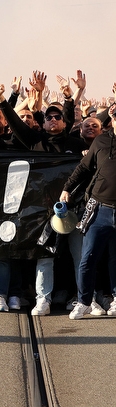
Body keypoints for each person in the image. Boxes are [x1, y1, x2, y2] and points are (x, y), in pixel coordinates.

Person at [60, 102, 116, 320]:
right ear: (111, 117)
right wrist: (67, 188)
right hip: (100, 208)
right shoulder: (101, 140)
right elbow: (83, 167)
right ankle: (84, 302)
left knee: (114, 259)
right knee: (87, 258)